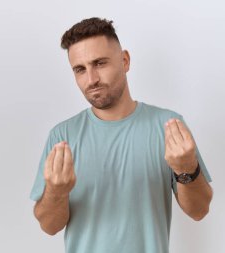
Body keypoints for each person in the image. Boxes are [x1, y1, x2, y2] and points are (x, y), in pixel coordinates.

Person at [30, 17, 213, 253]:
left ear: (124, 61)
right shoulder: (62, 136)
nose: (91, 79)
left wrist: (187, 168)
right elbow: (49, 226)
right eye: (80, 69)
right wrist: (57, 191)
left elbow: (199, 210)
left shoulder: (168, 126)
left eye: (100, 63)